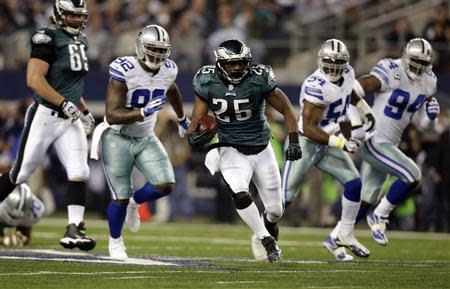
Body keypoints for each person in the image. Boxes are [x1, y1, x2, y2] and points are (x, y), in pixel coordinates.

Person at [187, 39, 302, 262]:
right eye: (231, 64)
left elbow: (286, 108)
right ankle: (265, 238)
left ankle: (265, 227)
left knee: (276, 210)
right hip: (230, 147)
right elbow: (197, 119)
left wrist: (294, 139)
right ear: (220, 64)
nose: (237, 68)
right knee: (239, 190)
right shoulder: (207, 80)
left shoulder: (259, 79)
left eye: (240, 63)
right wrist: (193, 136)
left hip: (261, 147)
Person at [0, 0, 96, 251]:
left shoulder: (81, 41)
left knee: (80, 170)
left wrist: (83, 110)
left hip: (69, 117)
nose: (77, 20)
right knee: (20, 173)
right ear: (59, 15)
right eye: (71, 16)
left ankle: (74, 228)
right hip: (46, 115)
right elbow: (34, 80)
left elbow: (71, 84)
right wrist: (64, 103)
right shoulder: (46, 37)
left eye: (80, 16)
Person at [90, 24, 190, 259]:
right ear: (140, 47)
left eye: (161, 50)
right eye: (152, 49)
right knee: (119, 196)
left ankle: (136, 202)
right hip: (117, 137)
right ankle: (115, 241)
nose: (157, 55)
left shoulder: (168, 69)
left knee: (165, 184)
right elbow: (112, 114)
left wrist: (183, 118)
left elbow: (172, 88)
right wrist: (143, 112)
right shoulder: (125, 69)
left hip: (145, 137)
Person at [281, 39, 374, 261]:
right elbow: (311, 129)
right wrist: (341, 142)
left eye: (338, 63)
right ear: (320, 62)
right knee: (283, 199)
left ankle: (344, 234)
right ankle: (261, 233)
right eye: (329, 63)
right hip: (305, 142)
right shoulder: (316, 84)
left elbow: (350, 94)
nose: (333, 68)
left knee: (354, 184)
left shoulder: (349, 72)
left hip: (329, 137)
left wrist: (366, 111)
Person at [352, 38, 439, 245]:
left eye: (422, 64)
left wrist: (430, 118)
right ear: (405, 57)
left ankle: (337, 236)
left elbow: (422, 123)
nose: (418, 68)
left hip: (390, 142)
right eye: (414, 62)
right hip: (374, 138)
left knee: (368, 196)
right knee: (413, 174)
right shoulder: (391, 69)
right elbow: (355, 90)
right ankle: (380, 215)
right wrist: (358, 121)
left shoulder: (429, 82)